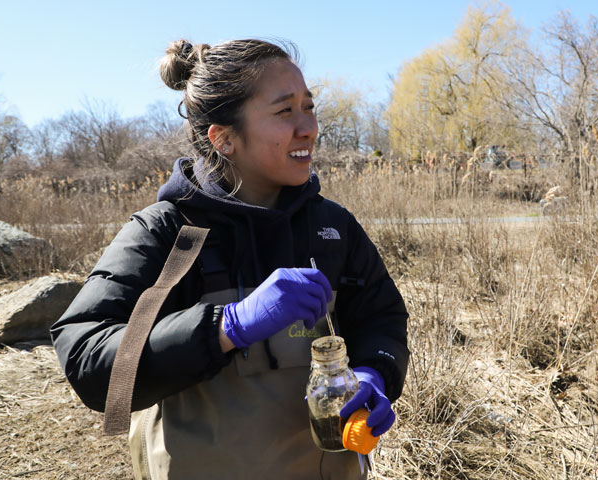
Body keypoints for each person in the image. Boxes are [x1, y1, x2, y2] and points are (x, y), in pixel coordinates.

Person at [50, 38, 409, 480]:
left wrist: (377, 373)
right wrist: (226, 326)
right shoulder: (165, 233)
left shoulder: (332, 227)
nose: (309, 127)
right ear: (223, 138)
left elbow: (383, 316)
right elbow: (88, 359)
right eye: (284, 111)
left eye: (309, 106)